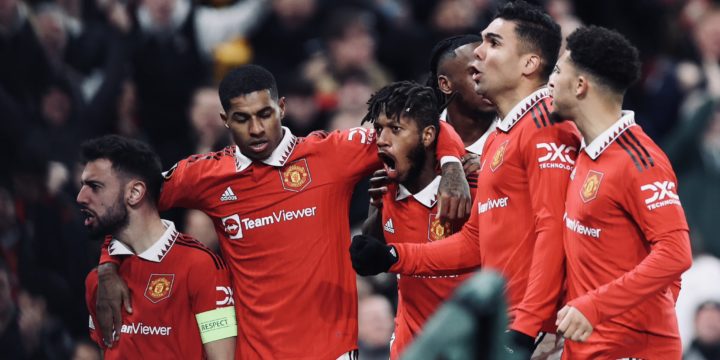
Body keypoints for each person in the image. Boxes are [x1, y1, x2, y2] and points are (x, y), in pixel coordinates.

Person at [95, 65, 471, 359]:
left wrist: (452, 165)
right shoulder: (204, 175)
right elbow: (130, 199)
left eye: (265, 113)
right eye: (242, 119)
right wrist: (109, 261)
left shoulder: (332, 154)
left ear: (283, 108)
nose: (256, 128)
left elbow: (427, 125)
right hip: (255, 354)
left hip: (333, 351)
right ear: (226, 120)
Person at [350, 1, 581, 356]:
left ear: (529, 64)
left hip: (537, 333)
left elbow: (555, 232)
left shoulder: (545, 126)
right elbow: (475, 242)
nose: (479, 54)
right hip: (508, 326)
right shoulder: (502, 139)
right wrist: (393, 256)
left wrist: (529, 326)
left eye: (493, 43)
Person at [548, 26, 692, 359]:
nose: (549, 83)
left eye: (557, 71)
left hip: (632, 350)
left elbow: (675, 254)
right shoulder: (585, 150)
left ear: (581, 85)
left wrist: (607, 311)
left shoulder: (640, 160)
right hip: (586, 346)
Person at [77, 135, 236, 359]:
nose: (81, 197)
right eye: (83, 185)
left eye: (95, 186)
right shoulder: (98, 282)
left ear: (134, 193)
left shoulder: (201, 266)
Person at [353, 81, 475, 359]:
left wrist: (452, 162)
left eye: (395, 129)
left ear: (428, 135)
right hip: (410, 345)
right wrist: (375, 206)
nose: (382, 139)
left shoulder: (470, 184)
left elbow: (476, 250)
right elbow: (375, 257)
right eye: (379, 129)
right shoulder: (387, 189)